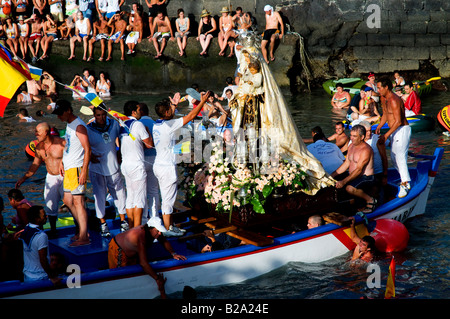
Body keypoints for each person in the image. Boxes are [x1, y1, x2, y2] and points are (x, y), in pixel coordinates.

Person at [152, 91, 210, 235]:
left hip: (158, 165)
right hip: (166, 168)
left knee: (167, 198)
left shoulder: (157, 124)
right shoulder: (169, 125)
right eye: (171, 109)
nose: (173, 110)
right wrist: (202, 102)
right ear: (166, 112)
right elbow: (190, 116)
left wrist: (174, 105)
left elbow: (170, 115)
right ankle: (167, 230)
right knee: (168, 200)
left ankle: (170, 226)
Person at [108, 223, 186, 298]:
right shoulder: (140, 237)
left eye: (160, 231)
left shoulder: (155, 232)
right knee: (120, 278)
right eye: (158, 231)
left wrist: (173, 253)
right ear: (150, 229)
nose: (159, 233)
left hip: (131, 252)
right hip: (118, 249)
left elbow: (164, 241)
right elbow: (143, 264)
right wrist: (157, 279)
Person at [52, 99, 91, 247]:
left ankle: (84, 236)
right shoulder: (69, 125)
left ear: (68, 110)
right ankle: (82, 230)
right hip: (68, 167)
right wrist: (62, 160)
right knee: (68, 201)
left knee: (78, 202)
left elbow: (87, 149)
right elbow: (68, 146)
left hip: (76, 168)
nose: (59, 117)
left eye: (60, 113)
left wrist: (84, 171)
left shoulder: (79, 126)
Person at [16, 122, 65, 236]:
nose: (35, 134)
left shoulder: (61, 143)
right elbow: (35, 165)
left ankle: (79, 230)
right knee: (50, 205)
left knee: (70, 203)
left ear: (46, 132)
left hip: (64, 176)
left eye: (38, 131)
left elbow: (73, 155)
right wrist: (24, 178)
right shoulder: (39, 147)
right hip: (50, 177)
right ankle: (53, 230)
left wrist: (64, 162)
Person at [87, 107, 128, 237]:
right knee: (99, 196)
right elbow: (82, 146)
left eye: (104, 115)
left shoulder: (113, 124)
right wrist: (89, 155)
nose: (102, 118)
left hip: (113, 166)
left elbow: (122, 137)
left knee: (119, 194)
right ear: (95, 116)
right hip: (97, 168)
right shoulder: (88, 129)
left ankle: (123, 220)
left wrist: (120, 151)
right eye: (99, 115)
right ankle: (103, 223)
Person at [119, 101, 153, 228]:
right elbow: (149, 145)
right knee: (139, 199)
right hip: (136, 165)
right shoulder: (138, 124)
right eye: (138, 110)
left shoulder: (122, 124)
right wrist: (148, 132)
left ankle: (131, 227)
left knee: (130, 198)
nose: (140, 112)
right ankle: (137, 230)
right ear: (133, 112)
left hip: (126, 165)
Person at [376, 77, 411, 198]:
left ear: (386, 87)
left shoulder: (395, 100)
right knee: (394, 158)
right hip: (394, 131)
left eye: (379, 87)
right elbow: (385, 114)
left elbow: (399, 121)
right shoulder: (384, 98)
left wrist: (386, 135)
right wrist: (379, 126)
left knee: (400, 156)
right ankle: (404, 178)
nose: (378, 89)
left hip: (402, 129)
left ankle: (405, 184)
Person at [331, 125, 377, 214]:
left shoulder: (366, 150)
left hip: (366, 177)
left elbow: (359, 170)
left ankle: (371, 200)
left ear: (362, 137)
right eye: (351, 135)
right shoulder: (351, 146)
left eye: (354, 136)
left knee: (349, 188)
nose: (351, 138)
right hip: (354, 175)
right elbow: (346, 163)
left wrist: (343, 182)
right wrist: (332, 175)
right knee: (335, 184)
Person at [138, 103, 164, 231]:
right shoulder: (156, 124)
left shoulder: (137, 124)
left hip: (142, 159)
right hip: (155, 159)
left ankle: (143, 219)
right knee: (153, 190)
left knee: (142, 191)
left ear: (140, 111)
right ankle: (155, 216)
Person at [20, 205, 61, 284]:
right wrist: (52, 277)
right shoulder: (41, 236)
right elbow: (43, 259)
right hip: (40, 278)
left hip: (27, 276)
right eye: (44, 215)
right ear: (37, 219)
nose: (46, 216)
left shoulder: (26, 229)